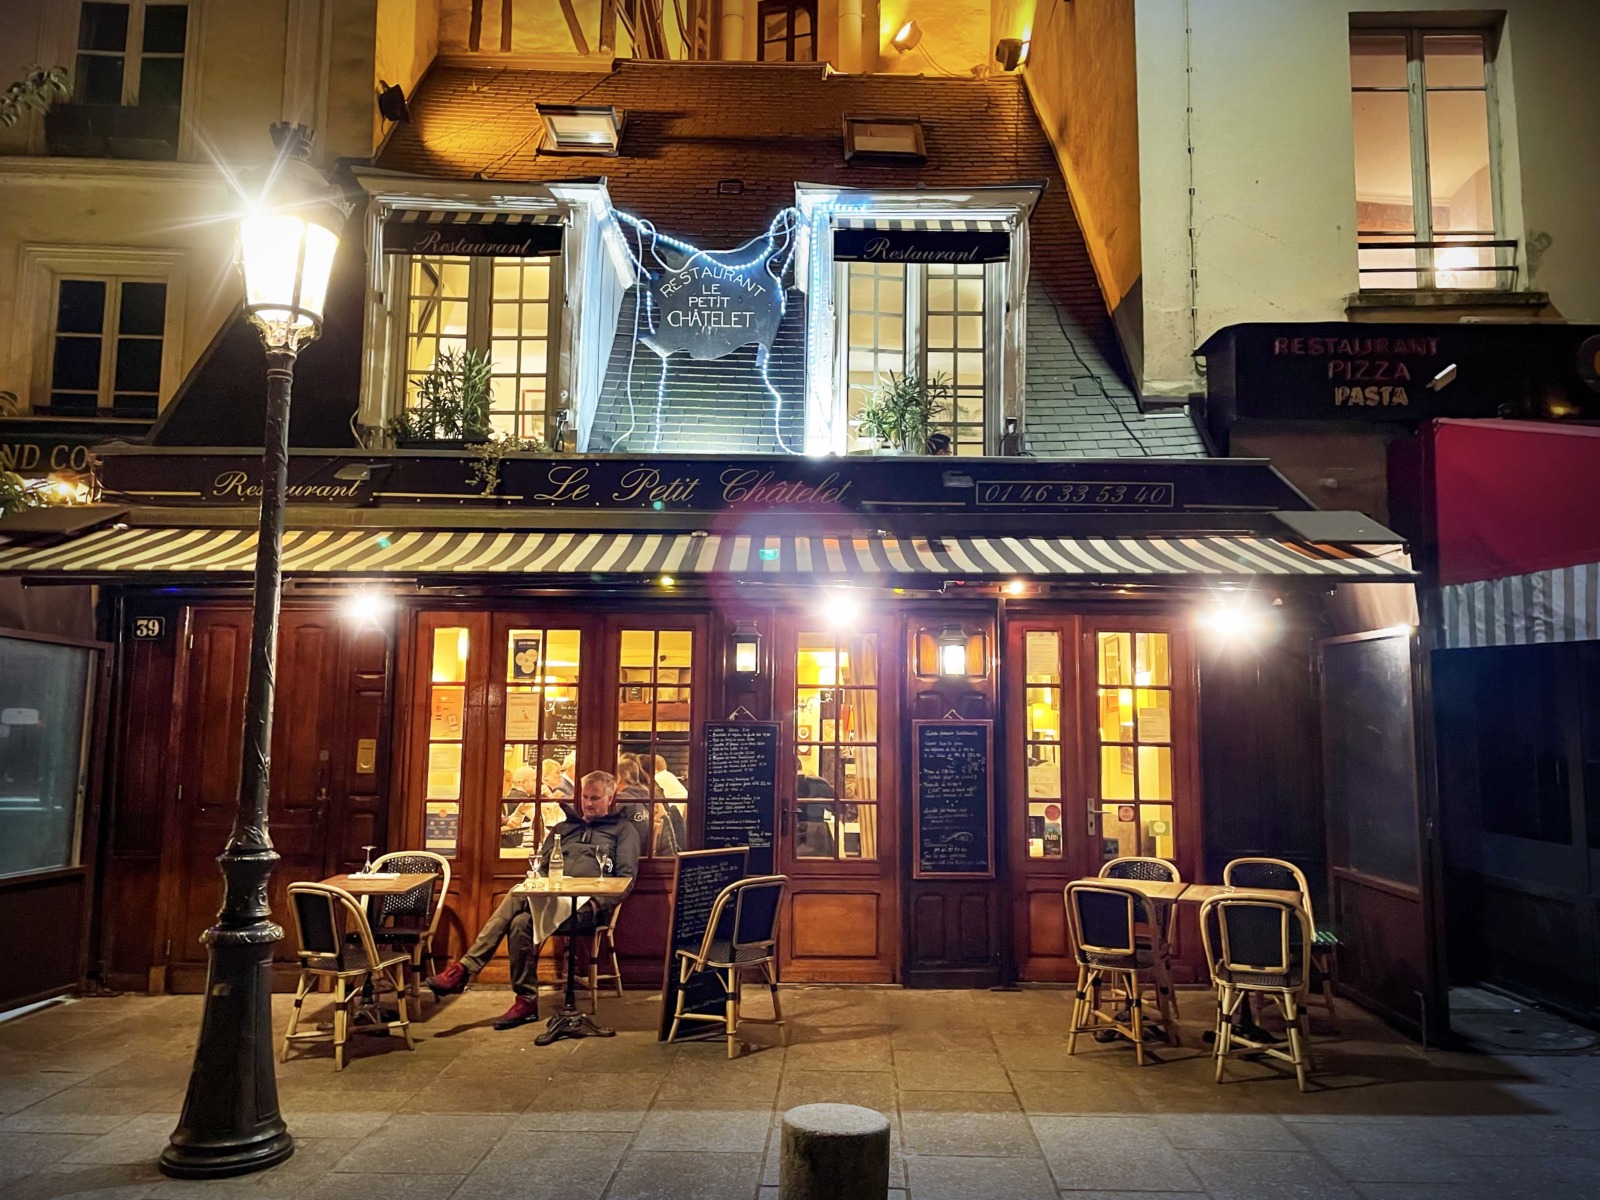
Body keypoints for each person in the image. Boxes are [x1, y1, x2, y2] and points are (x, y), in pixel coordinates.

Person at [426, 770, 640, 1029]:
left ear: (610, 798)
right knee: (519, 913)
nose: (588, 803)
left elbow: (626, 879)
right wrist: (540, 882)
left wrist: (597, 904)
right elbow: (543, 866)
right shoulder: (564, 828)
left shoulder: (623, 829)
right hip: (550, 900)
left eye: (595, 798)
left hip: (587, 907)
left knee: (518, 910)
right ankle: (525, 1001)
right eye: (584, 797)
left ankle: (464, 969)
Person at [499, 764, 539, 850]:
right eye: (507, 781)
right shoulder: (491, 800)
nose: (511, 785)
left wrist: (520, 812)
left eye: (511, 781)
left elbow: (509, 823)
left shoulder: (504, 799)